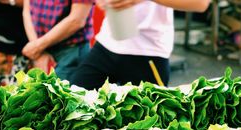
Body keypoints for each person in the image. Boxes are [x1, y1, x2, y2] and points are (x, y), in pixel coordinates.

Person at [71, 0, 211, 89]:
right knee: (76, 105)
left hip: (147, 53)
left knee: (147, 128)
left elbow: (200, 3)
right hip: (107, 44)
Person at [22, 0, 94, 80]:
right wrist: (37, 49)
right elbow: (27, 9)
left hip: (70, 52)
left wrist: (37, 47)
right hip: (39, 49)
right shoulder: (37, 48)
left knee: (62, 91)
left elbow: (77, 20)